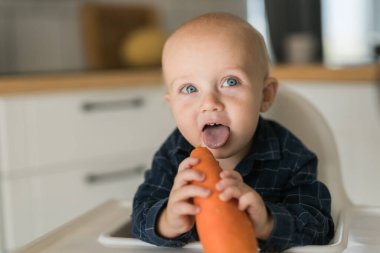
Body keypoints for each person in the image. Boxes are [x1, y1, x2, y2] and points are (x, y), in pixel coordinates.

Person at [132, 12, 334, 252]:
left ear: (265, 95)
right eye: (189, 88)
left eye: (230, 82)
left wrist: (268, 222)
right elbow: (138, 216)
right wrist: (167, 221)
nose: (209, 102)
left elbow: (319, 225)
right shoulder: (172, 155)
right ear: (171, 104)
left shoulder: (291, 155)